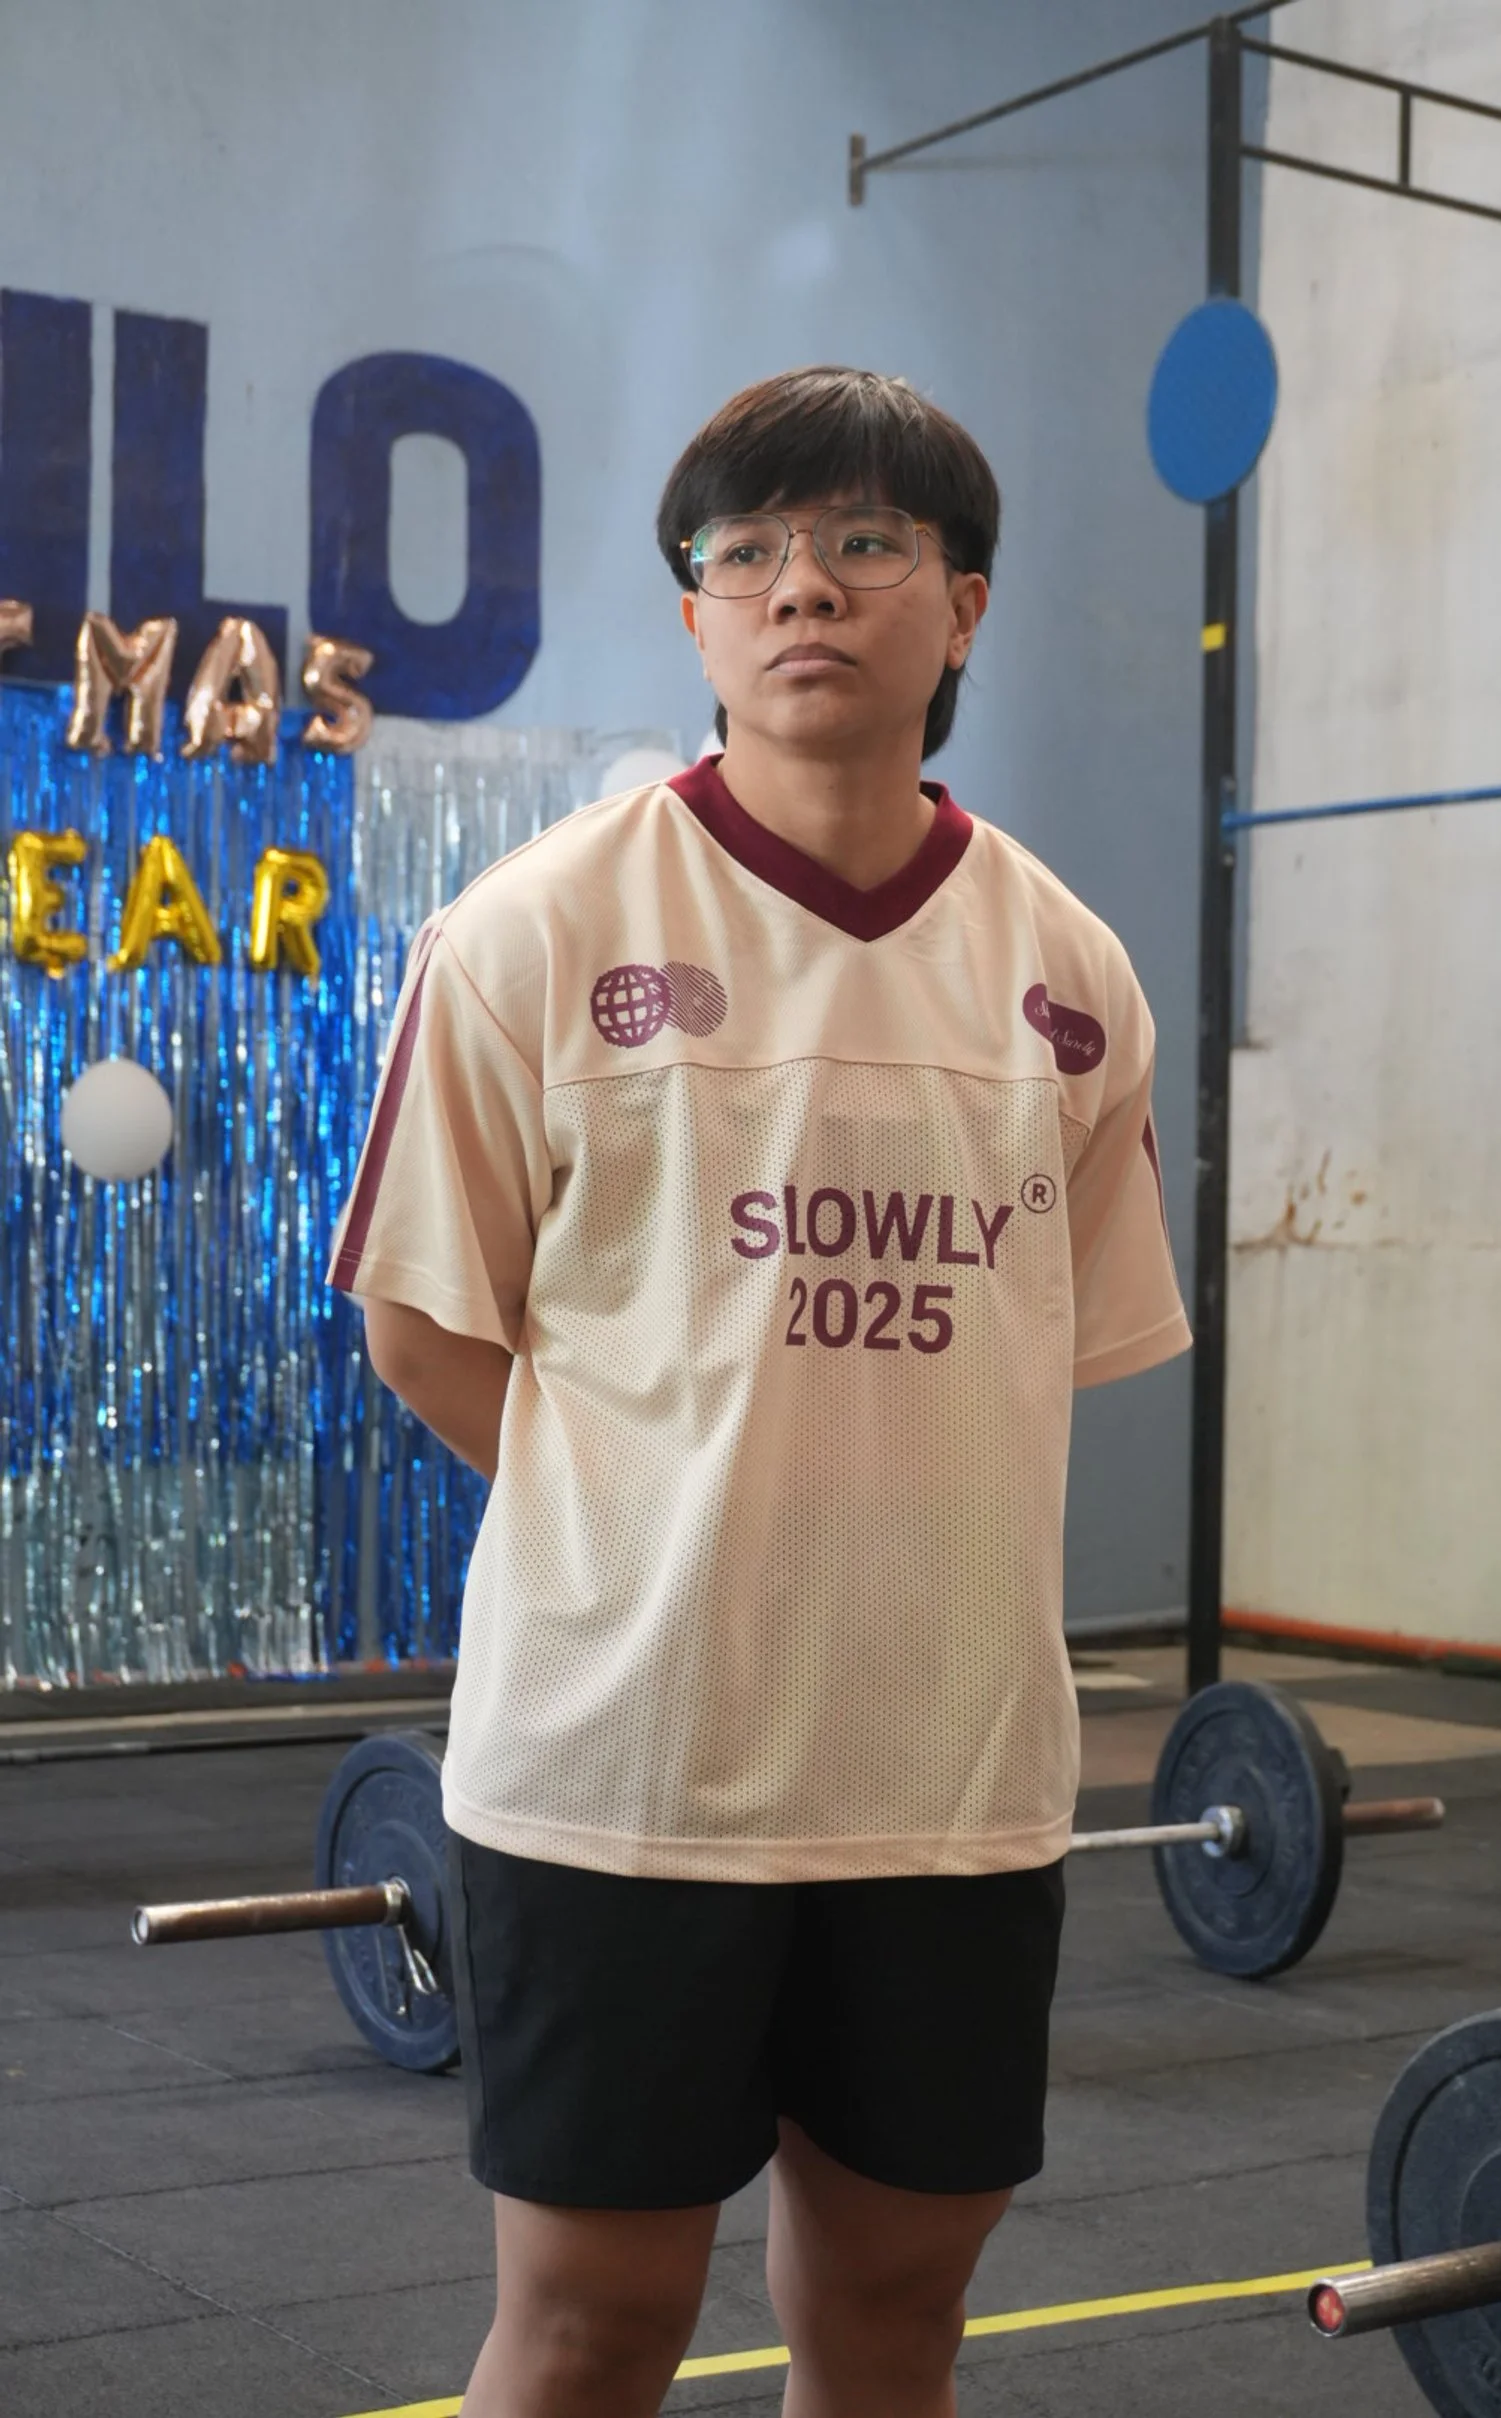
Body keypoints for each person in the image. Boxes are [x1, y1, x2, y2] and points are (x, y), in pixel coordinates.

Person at [329, 364, 1191, 2418]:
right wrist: (639, 1516)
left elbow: (1027, 1363)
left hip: (947, 1782)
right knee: (591, 2328)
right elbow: (424, 1330)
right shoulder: (526, 937)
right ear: (699, 616)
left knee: (891, 2327)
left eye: (865, 545)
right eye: (748, 554)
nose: (805, 587)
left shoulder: (1070, 974)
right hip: (622, 1776)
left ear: (962, 607)